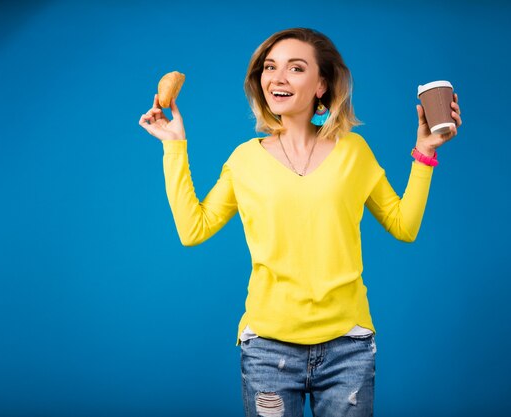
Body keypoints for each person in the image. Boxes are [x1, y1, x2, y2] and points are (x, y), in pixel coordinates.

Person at [139, 27, 461, 417]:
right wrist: (174, 146)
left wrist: (424, 153)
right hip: (268, 346)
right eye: (270, 67)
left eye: (295, 67)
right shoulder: (244, 160)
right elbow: (194, 230)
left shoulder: (354, 153)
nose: (277, 77)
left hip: (348, 345)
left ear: (321, 85)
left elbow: (403, 226)